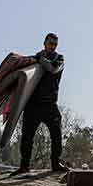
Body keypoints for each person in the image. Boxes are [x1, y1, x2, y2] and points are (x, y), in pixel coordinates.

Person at [14, 33, 68, 175]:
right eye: (50, 43)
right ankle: (24, 166)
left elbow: (53, 69)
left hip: (50, 104)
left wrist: (39, 59)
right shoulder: (35, 59)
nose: (52, 46)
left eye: (55, 44)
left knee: (56, 135)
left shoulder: (59, 59)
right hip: (32, 105)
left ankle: (55, 163)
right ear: (44, 43)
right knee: (26, 137)